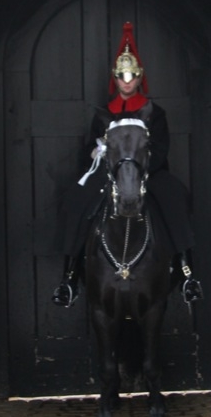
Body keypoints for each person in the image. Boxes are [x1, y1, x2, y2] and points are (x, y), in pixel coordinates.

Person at [52, 21, 203, 308]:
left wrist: (140, 168)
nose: (127, 81)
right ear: (115, 78)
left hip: (147, 172)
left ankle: (186, 272)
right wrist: (96, 153)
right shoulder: (103, 115)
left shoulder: (154, 113)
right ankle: (69, 276)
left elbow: (160, 148)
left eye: (132, 75)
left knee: (174, 196)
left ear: (139, 77)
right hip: (110, 175)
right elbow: (89, 147)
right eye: (122, 76)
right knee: (76, 199)